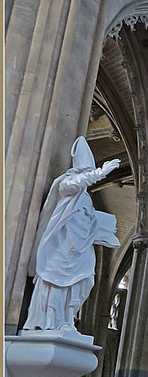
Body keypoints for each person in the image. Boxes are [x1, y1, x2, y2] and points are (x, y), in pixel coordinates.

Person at [24, 137, 121, 334]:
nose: (87, 177)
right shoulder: (65, 186)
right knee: (56, 283)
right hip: (60, 248)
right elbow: (75, 184)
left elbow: (88, 220)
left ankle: (66, 320)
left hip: (80, 248)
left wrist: (105, 229)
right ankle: (50, 322)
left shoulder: (85, 197)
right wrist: (100, 173)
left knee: (85, 280)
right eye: (85, 172)